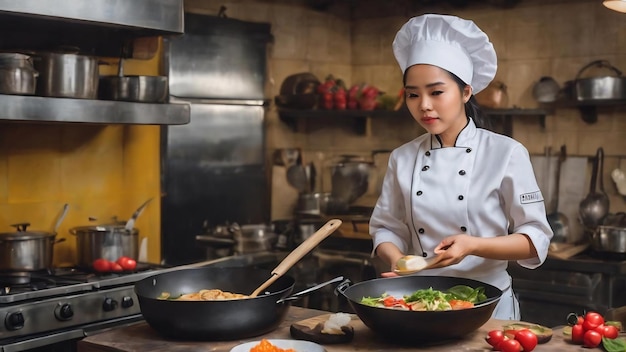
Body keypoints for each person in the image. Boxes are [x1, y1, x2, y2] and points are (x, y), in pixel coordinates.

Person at [369, 14, 554, 320]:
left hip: (488, 309)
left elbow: (534, 239)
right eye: (413, 94)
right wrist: (399, 261)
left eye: (436, 92)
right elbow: (387, 227)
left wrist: (472, 245)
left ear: (466, 92)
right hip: (420, 304)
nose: (424, 105)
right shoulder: (402, 157)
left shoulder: (506, 152)